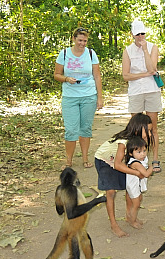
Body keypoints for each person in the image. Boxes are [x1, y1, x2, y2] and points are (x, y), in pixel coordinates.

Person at [94, 113, 154, 237]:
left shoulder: (140, 141)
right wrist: (137, 172)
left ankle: (129, 217)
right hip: (105, 161)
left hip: (120, 161)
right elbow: (117, 165)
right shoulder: (124, 141)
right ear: (137, 127)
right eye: (147, 130)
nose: (149, 134)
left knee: (129, 186)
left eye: (150, 130)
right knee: (111, 192)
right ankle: (114, 225)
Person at [54, 27, 103, 169]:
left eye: (85, 41)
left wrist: (100, 97)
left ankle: (85, 159)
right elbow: (56, 74)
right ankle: (68, 161)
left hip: (89, 96)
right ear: (73, 39)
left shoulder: (91, 53)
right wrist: (66, 78)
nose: (82, 43)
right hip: (70, 97)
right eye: (80, 40)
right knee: (71, 129)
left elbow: (97, 75)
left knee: (85, 128)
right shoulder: (64, 54)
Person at [122, 20, 162, 173]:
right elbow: (126, 75)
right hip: (136, 92)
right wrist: (145, 74)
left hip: (152, 90)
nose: (140, 36)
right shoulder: (128, 50)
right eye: (137, 34)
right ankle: (137, 158)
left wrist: (145, 50)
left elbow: (153, 68)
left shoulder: (152, 47)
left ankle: (155, 159)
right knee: (137, 128)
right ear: (132, 34)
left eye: (142, 33)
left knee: (153, 128)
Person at [125, 136, 154, 229]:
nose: (142, 154)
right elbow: (146, 174)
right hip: (133, 186)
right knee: (136, 204)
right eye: (139, 152)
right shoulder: (135, 163)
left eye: (144, 151)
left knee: (138, 199)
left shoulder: (140, 160)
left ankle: (131, 217)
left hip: (137, 185)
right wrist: (151, 168)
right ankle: (133, 221)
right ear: (130, 153)